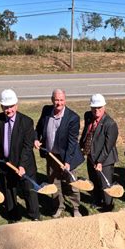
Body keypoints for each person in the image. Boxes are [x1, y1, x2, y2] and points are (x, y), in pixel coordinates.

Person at [0, 89, 40, 222]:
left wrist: (22, 165)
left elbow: (27, 147)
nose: (9, 110)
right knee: (9, 190)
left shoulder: (27, 122)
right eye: (6, 107)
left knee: (29, 191)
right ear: (1, 107)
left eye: (11, 106)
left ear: (16, 106)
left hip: (24, 164)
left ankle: (34, 215)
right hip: (6, 164)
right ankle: (13, 216)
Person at [34, 89, 84, 218]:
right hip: (52, 156)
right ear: (52, 100)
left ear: (65, 100)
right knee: (54, 183)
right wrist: (36, 139)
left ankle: (76, 207)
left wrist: (67, 162)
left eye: (61, 100)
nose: (59, 103)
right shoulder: (46, 111)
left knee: (71, 183)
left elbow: (72, 143)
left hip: (68, 157)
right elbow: (39, 128)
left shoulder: (73, 118)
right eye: (56, 100)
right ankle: (58, 206)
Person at [80, 94, 119, 212]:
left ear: (104, 107)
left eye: (99, 108)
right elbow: (86, 133)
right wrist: (81, 147)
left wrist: (100, 161)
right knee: (94, 181)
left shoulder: (110, 124)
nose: (96, 110)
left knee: (105, 184)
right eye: (94, 108)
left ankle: (108, 205)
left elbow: (108, 147)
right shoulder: (88, 116)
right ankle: (97, 200)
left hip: (105, 160)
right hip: (91, 156)